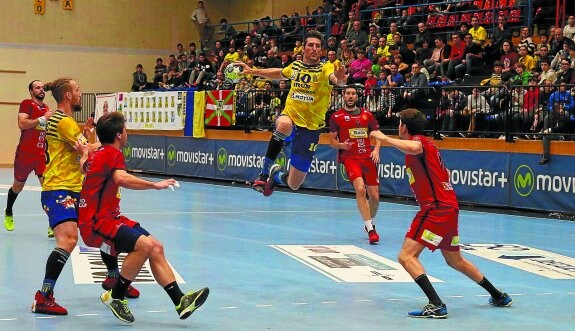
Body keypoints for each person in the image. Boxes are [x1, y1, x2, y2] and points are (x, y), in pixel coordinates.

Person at [370, 108, 512, 319]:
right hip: (448, 208)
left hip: (435, 209)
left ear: (403, 127)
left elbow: (414, 147)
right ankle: (498, 295)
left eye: (399, 123)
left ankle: (436, 304)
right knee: (455, 260)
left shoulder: (420, 143)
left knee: (406, 256)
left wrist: (383, 138)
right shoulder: (428, 146)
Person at [77, 112, 209, 323]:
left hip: (108, 217)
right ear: (119, 135)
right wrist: (154, 185)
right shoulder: (112, 154)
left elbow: (84, 166)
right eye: (126, 129)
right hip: (96, 223)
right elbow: (121, 178)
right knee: (144, 246)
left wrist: (84, 152)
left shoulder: (98, 154)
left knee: (156, 246)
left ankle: (180, 301)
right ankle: (116, 297)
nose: (127, 132)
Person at [31, 77, 139, 316]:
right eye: (77, 90)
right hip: (59, 188)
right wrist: (106, 139)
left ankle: (113, 279)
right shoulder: (65, 122)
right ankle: (44, 296)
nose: (80, 94)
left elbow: (80, 150)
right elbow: (87, 150)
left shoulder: (59, 120)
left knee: (100, 227)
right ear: (68, 95)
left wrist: (88, 136)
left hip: (73, 187)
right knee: (68, 240)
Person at [234, 30, 347, 196]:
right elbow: (278, 73)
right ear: (303, 48)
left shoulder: (326, 68)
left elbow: (338, 80)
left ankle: (276, 176)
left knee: (294, 184)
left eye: (318, 46)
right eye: (310, 45)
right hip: (291, 119)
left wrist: (341, 79)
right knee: (284, 124)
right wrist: (252, 71)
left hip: (310, 129)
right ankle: (263, 174)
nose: (314, 48)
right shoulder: (296, 66)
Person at [329, 86, 381, 244]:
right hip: (350, 157)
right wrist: (342, 146)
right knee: (360, 189)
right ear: (343, 96)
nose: (350, 96)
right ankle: (371, 229)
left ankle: (369, 223)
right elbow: (332, 141)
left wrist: (376, 150)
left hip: (367, 157)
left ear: (357, 97)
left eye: (353, 94)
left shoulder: (367, 115)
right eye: (348, 94)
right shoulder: (336, 117)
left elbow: (378, 135)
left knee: (375, 197)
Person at [4, 81, 53, 236]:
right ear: (31, 91)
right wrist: (42, 119)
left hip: (41, 155)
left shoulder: (47, 109)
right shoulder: (27, 104)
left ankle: (53, 223)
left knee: (48, 187)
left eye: (42, 87)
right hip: (25, 155)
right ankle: (9, 211)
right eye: (37, 87)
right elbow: (22, 123)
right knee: (17, 187)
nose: (41, 89)